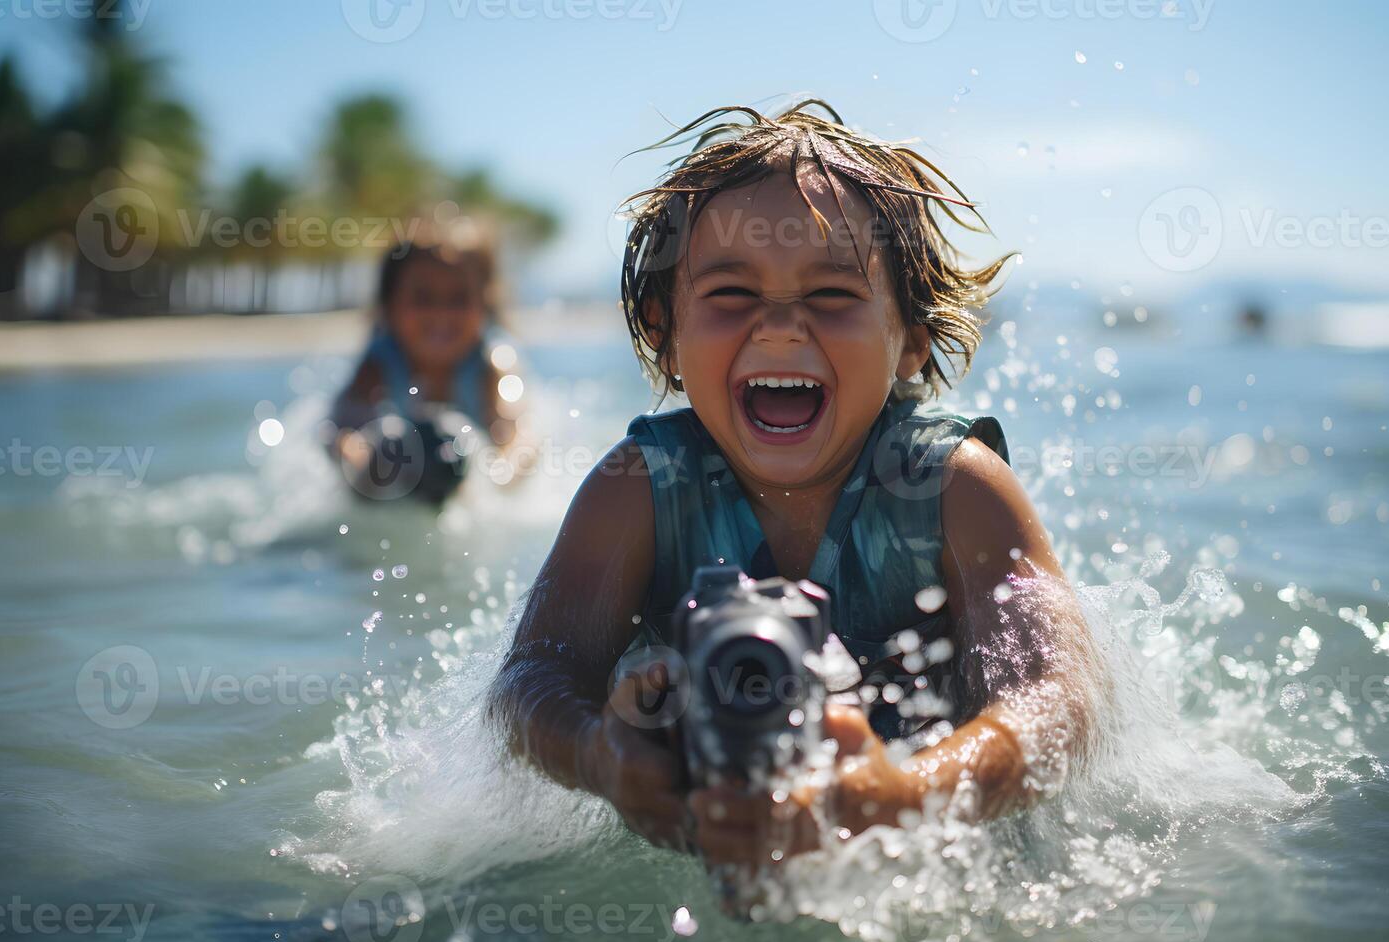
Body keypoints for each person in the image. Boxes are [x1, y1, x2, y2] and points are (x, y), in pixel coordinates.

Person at [489, 101, 1100, 871]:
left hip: (926, 809)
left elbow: (1062, 700)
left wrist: (907, 795)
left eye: (833, 296)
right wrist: (599, 755)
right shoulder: (637, 490)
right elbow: (532, 679)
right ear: (663, 331)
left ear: (911, 337)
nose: (781, 328)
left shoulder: (953, 490)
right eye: (732, 295)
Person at [328, 222, 527, 504]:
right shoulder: (380, 362)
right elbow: (340, 431)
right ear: (390, 306)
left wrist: (500, 477)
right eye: (422, 298)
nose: (441, 314)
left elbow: (517, 436)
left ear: (485, 305)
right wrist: (362, 463)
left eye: (458, 299)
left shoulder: (490, 364)